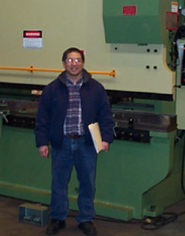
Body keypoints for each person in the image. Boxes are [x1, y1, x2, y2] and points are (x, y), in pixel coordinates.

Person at [35, 47, 114, 236]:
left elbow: (105, 115)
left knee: (87, 182)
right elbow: (42, 117)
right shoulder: (52, 88)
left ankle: (85, 219)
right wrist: (42, 142)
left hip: (85, 144)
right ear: (64, 64)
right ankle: (57, 218)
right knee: (59, 183)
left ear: (83, 63)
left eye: (77, 60)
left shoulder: (95, 88)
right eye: (70, 60)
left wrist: (105, 139)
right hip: (61, 143)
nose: (74, 64)